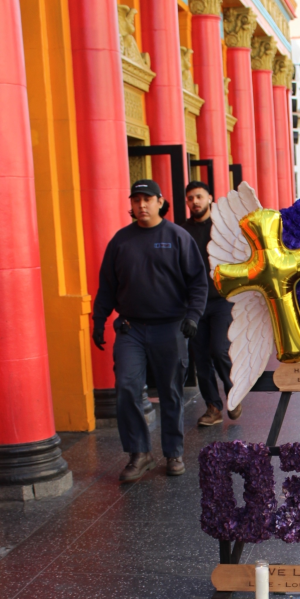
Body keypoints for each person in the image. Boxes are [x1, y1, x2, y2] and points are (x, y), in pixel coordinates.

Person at [92, 179, 207, 482]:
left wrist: (193, 316)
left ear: (160, 201)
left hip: (171, 328)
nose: (141, 205)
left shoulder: (177, 237)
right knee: (127, 387)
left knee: (170, 392)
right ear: (131, 204)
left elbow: (198, 282)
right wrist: (99, 320)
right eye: (136, 200)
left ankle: (173, 452)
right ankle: (139, 453)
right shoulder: (121, 241)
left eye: (147, 199)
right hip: (131, 329)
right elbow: (107, 286)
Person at [182, 180, 241, 426]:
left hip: (221, 300)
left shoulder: (222, 227)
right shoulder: (182, 231)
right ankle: (213, 407)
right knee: (201, 357)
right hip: (194, 304)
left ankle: (233, 393)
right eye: (190, 198)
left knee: (219, 349)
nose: (194, 202)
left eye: (199, 197)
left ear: (209, 198)